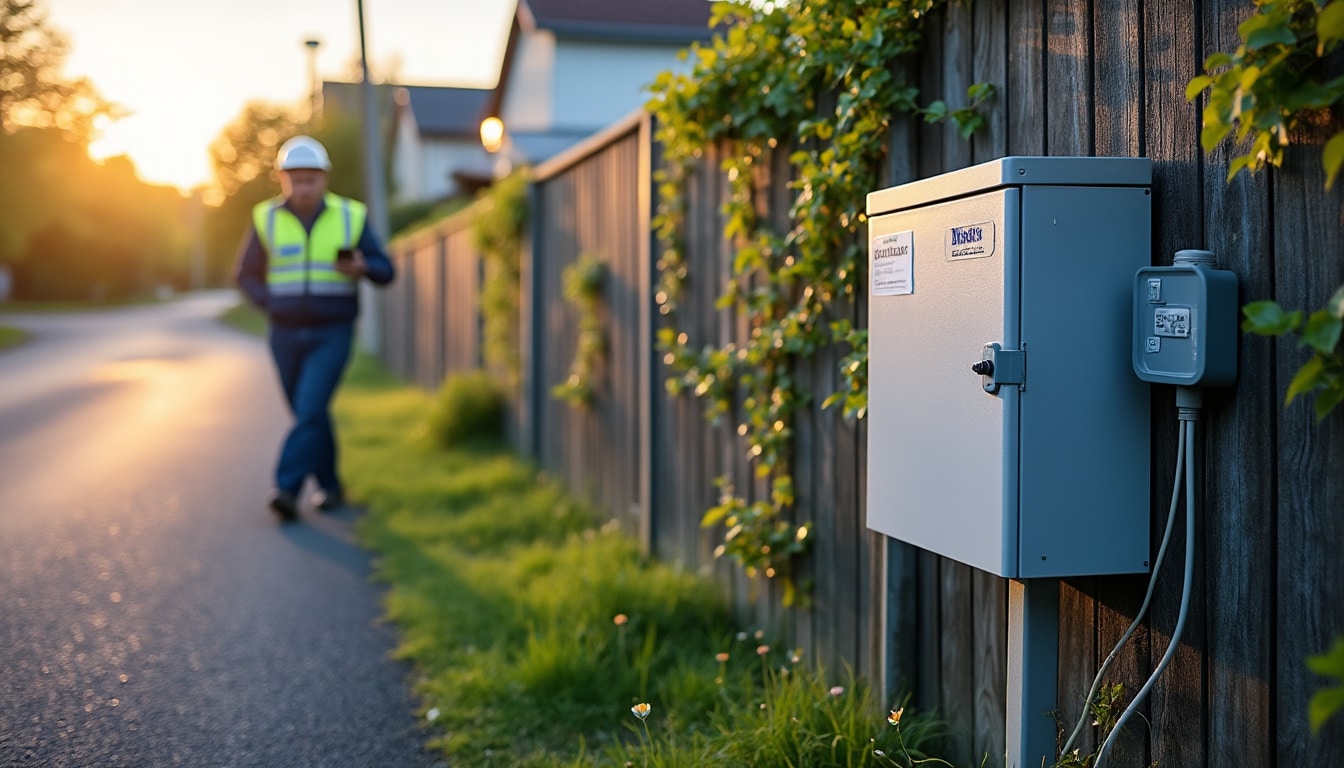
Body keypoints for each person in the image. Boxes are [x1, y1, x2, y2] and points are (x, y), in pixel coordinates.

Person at [234, 135, 395, 522]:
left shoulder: (350, 215)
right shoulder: (265, 218)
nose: (304, 187)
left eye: (311, 179)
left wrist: (364, 267)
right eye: (297, 179)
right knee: (311, 413)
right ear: (282, 178)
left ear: (325, 178)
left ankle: (287, 490)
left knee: (309, 410)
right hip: (284, 333)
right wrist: (269, 303)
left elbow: (386, 270)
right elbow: (246, 274)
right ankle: (331, 487)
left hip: (332, 331)